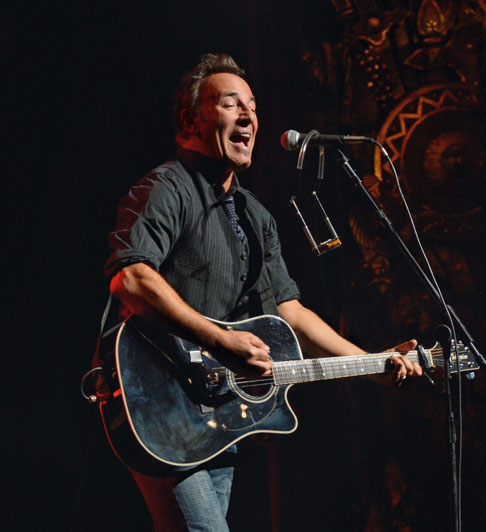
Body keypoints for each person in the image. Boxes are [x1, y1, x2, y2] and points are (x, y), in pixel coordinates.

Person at [103, 53, 423, 532]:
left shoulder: (256, 216)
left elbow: (290, 312)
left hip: (214, 416)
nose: (250, 116)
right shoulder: (166, 188)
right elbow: (131, 278)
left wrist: (375, 363)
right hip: (156, 403)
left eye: (253, 106)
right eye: (232, 104)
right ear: (192, 120)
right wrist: (220, 340)